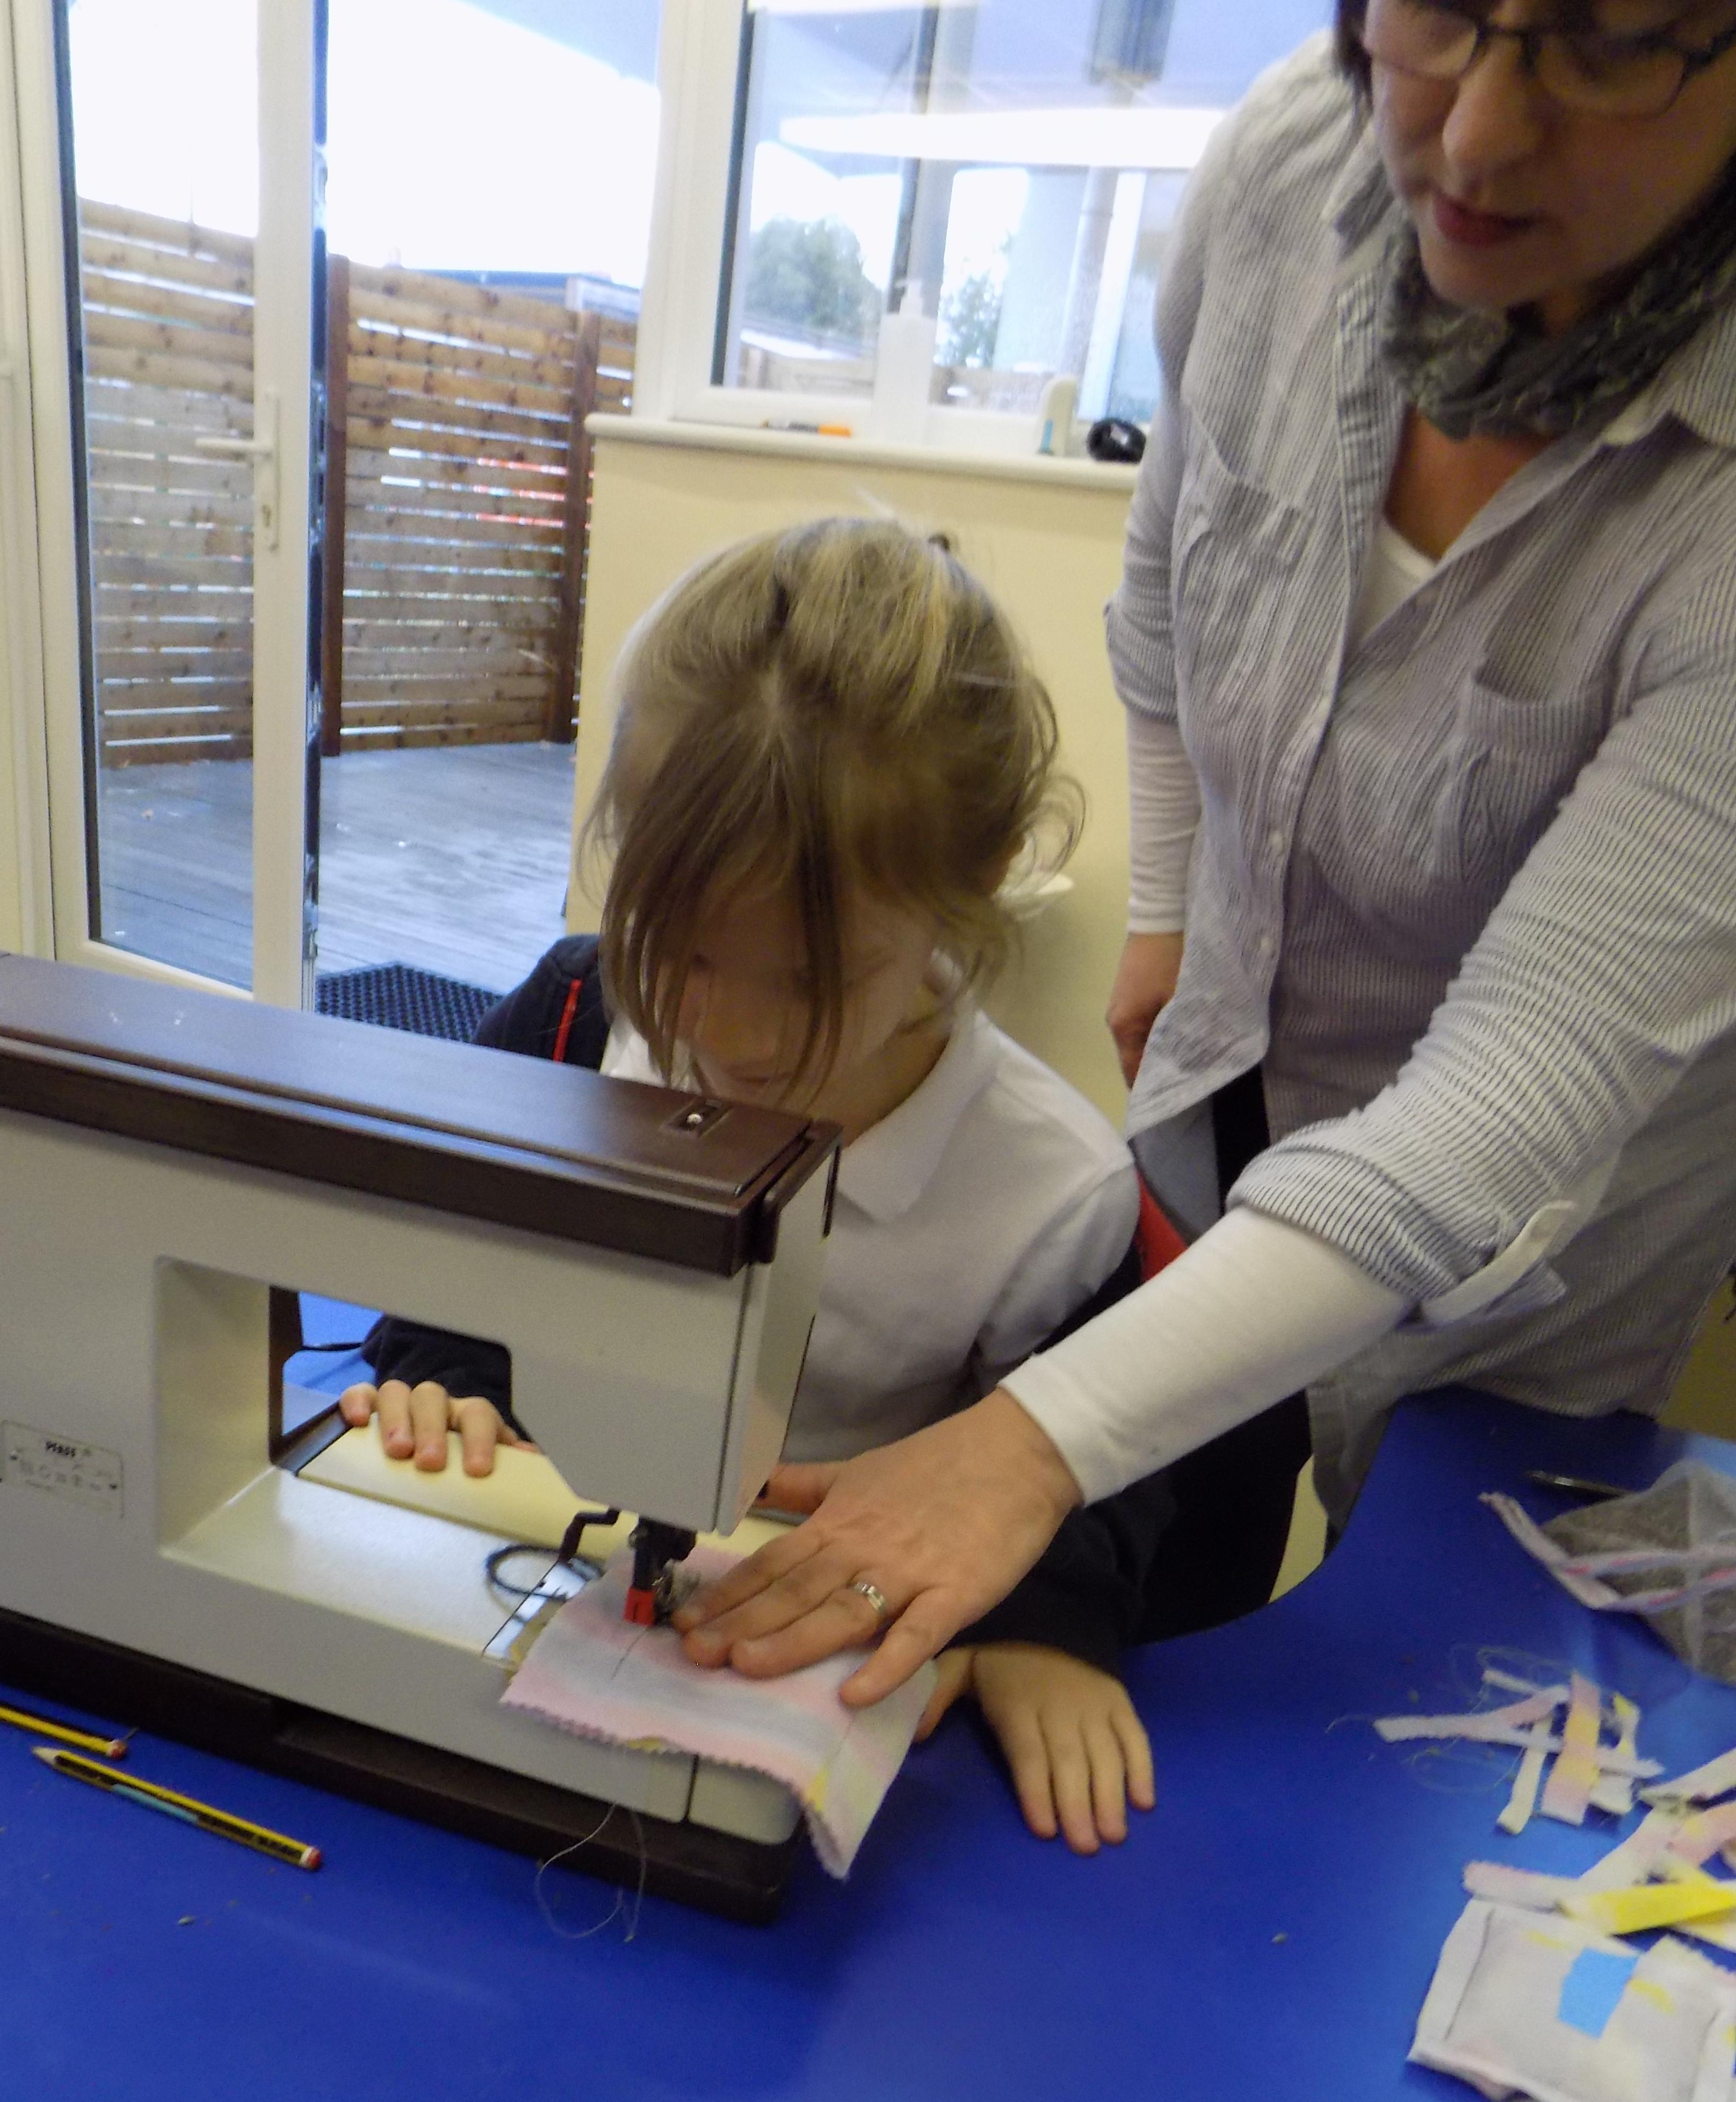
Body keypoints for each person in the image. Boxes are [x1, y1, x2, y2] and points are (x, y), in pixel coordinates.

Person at [675, 0, 1736, 1709]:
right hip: (1227, 1076)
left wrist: (1027, 1446)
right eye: (1440, 15)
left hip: (1535, 1249)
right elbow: (1172, 585)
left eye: (1604, 43)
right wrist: (1168, 914)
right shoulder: (1286, 169)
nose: (1476, 134)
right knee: (1190, 1548)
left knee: (1433, 1682)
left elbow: (1507, 1102)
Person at [341, 517, 1174, 1852]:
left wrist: (1044, 1621)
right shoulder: (574, 1020)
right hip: (538, 1595)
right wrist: (445, 1371)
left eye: (808, 976)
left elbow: (1096, 1462)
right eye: (682, 949)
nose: (726, 1032)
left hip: (807, 1658)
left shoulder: (1051, 1193)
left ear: (972, 890)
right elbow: (443, 1250)